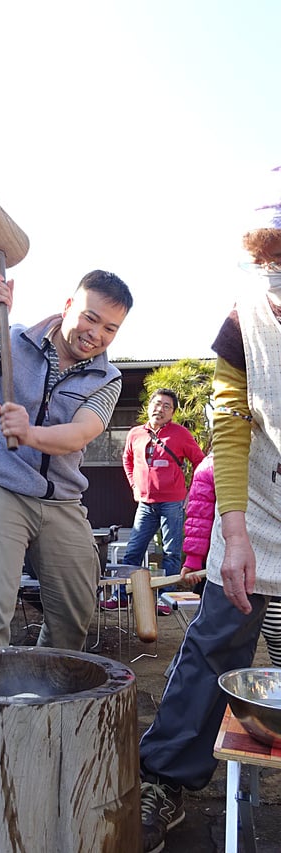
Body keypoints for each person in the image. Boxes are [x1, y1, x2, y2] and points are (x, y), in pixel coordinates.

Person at [139, 166, 281, 853]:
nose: (275, 282)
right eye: (266, 260)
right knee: (216, 639)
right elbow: (228, 420)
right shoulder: (245, 311)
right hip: (253, 498)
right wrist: (230, 526)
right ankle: (164, 777)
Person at [0, 269, 134, 652]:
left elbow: (81, 433)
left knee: (75, 612)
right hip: (0, 488)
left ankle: (45, 698)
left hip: (61, 500)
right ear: (68, 307)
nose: (96, 334)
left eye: (110, 329)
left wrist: (29, 433)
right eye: (90, 318)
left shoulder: (107, 378)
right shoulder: (13, 340)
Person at [101, 388, 205, 612]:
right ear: (148, 407)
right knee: (133, 551)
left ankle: (165, 599)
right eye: (157, 404)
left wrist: (192, 493)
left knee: (171, 552)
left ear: (173, 413)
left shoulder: (180, 434)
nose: (161, 409)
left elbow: (201, 462)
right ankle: (121, 596)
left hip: (173, 503)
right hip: (145, 504)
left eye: (167, 406)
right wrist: (133, 485)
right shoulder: (135, 433)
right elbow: (127, 460)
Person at [182, 450, 281, 664]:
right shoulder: (212, 466)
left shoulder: (268, 461)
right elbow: (199, 517)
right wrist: (192, 560)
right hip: (227, 560)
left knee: (275, 626)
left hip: (271, 554)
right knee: (221, 632)